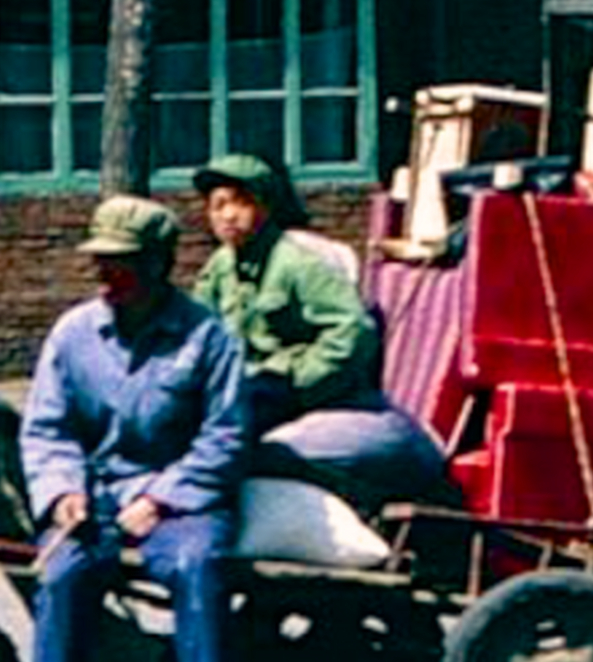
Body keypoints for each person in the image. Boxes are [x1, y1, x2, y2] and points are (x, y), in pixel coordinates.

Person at [19, 194, 250, 662]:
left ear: (157, 265)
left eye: (119, 264)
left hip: (184, 503)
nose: (104, 276)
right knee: (61, 576)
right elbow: (46, 429)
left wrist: (163, 500)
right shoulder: (74, 334)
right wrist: (63, 492)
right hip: (97, 500)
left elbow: (225, 437)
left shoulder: (208, 338)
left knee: (198, 568)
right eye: (99, 263)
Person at [192, 152, 450, 513]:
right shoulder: (220, 267)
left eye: (242, 202)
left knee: (252, 452)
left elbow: (353, 332)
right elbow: (198, 333)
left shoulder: (297, 262)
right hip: (249, 389)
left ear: (265, 207)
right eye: (217, 205)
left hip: (307, 394)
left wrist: (299, 384)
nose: (228, 215)